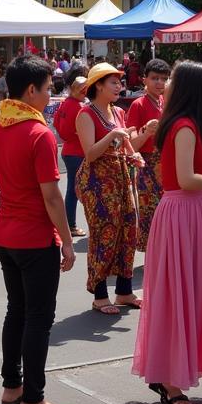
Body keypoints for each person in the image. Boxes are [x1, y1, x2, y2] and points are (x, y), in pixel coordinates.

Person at [132, 60, 202, 404]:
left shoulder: (187, 125)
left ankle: (174, 372)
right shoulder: (186, 125)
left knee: (189, 292)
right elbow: (187, 180)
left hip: (192, 213)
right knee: (181, 294)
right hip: (185, 211)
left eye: (172, 79)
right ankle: (170, 377)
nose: (167, 83)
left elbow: (192, 173)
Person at [0, 55, 76, 404]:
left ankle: (12, 385)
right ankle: (34, 399)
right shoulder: (39, 133)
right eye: (47, 89)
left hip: (5, 234)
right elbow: (52, 196)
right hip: (34, 237)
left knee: (17, 311)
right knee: (39, 319)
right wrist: (68, 241)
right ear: (30, 90)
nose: (50, 96)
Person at [75, 64, 141, 315]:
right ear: (98, 85)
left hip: (121, 177)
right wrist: (112, 134)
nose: (118, 87)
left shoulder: (118, 112)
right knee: (104, 233)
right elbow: (90, 154)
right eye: (113, 82)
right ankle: (100, 294)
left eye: (119, 82)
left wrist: (135, 154)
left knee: (128, 230)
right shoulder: (85, 114)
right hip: (98, 183)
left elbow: (126, 147)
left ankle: (124, 290)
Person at [127, 58, 171, 252]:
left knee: (167, 211)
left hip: (167, 164)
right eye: (155, 78)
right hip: (147, 165)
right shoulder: (139, 105)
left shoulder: (165, 102)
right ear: (144, 79)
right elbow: (132, 144)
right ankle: (156, 255)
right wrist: (147, 132)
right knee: (151, 212)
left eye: (163, 79)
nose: (159, 83)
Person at [53, 69, 88, 239]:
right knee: (75, 190)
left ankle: (70, 223)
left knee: (72, 190)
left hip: (69, 150)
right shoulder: (79, 107)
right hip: (77, 151)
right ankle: (71, 224)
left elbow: (57, 124)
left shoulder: (65, 103)